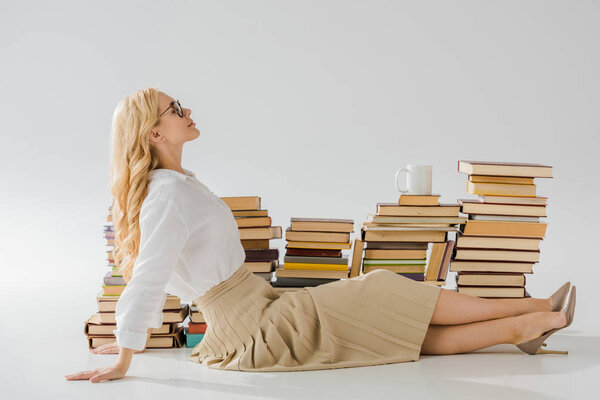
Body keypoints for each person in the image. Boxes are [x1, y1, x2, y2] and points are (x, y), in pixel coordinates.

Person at [65, 88, 576, 383]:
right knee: (383, 289)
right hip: (253, 327)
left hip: (257, 314)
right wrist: (124, 357)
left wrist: (126, 346)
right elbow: (149, 276)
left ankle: (521, 329)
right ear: (155, 134)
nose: (187, 110)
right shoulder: (167, 195)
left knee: (396, 330)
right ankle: (527, 310)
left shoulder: (176, 186)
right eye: (175, 108)